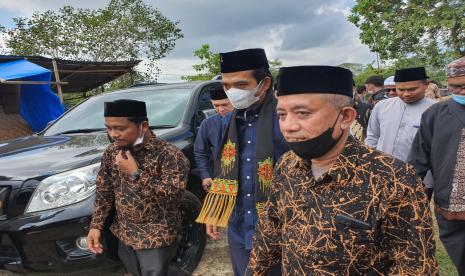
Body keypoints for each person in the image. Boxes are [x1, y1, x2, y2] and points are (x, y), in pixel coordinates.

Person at [246, 65, 438, 275]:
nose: (288, 126)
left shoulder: (393, 179)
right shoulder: (287, 165)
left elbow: (414, 267)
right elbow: (269, 232)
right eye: (282, 115)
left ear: (346, 116)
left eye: (303, 113)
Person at [196, 48, 288, 276]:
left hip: (281, 226)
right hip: (239, 223)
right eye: (227, 86)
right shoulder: (229, 122)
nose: (232, 92)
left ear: (264, 83)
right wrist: (216, 210)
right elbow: (223, 167)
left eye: (240, 85)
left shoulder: (287, 119)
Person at [87, 99, 190, 276]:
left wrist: (136, 173)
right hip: (125, 234)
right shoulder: (112, 152)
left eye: (120, 128)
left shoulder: (169, 155)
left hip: (156, 237)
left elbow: (173, 197)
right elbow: (104, 191)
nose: (113, 134)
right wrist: (95, 226)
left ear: (143, 126)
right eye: (109, 128)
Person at [408, 56, 465, 276]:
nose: (461, 92)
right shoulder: (435, 114)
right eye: (455, 87)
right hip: (451, 204)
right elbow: (418, 159)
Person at [365, 67, 436, 162]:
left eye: (412, 89)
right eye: (401, 89)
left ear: (426, 85)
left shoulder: (436, 110)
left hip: (417, 173)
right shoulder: (382, 106)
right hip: (382, 167)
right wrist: (371, 160)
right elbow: (372, 135)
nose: (406, 94)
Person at [194, 84, 233, 191]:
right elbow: (201, 152)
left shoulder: (246, 120)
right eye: (216, 106)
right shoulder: (207, 124)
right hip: (219, 178)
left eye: (225, 104)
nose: (221, 109)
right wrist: (205, 175)